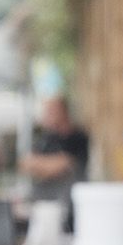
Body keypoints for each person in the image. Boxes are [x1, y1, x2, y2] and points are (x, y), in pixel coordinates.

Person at [20, 95, 90, 226]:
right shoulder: (47, 138)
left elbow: (62, 165)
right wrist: (47, 166)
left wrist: (41, 165)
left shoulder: (77, 137)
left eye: (51, 111)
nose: (47, 115)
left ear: (63, 111)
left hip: (68, 207)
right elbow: (25, 163)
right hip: (45, 206)